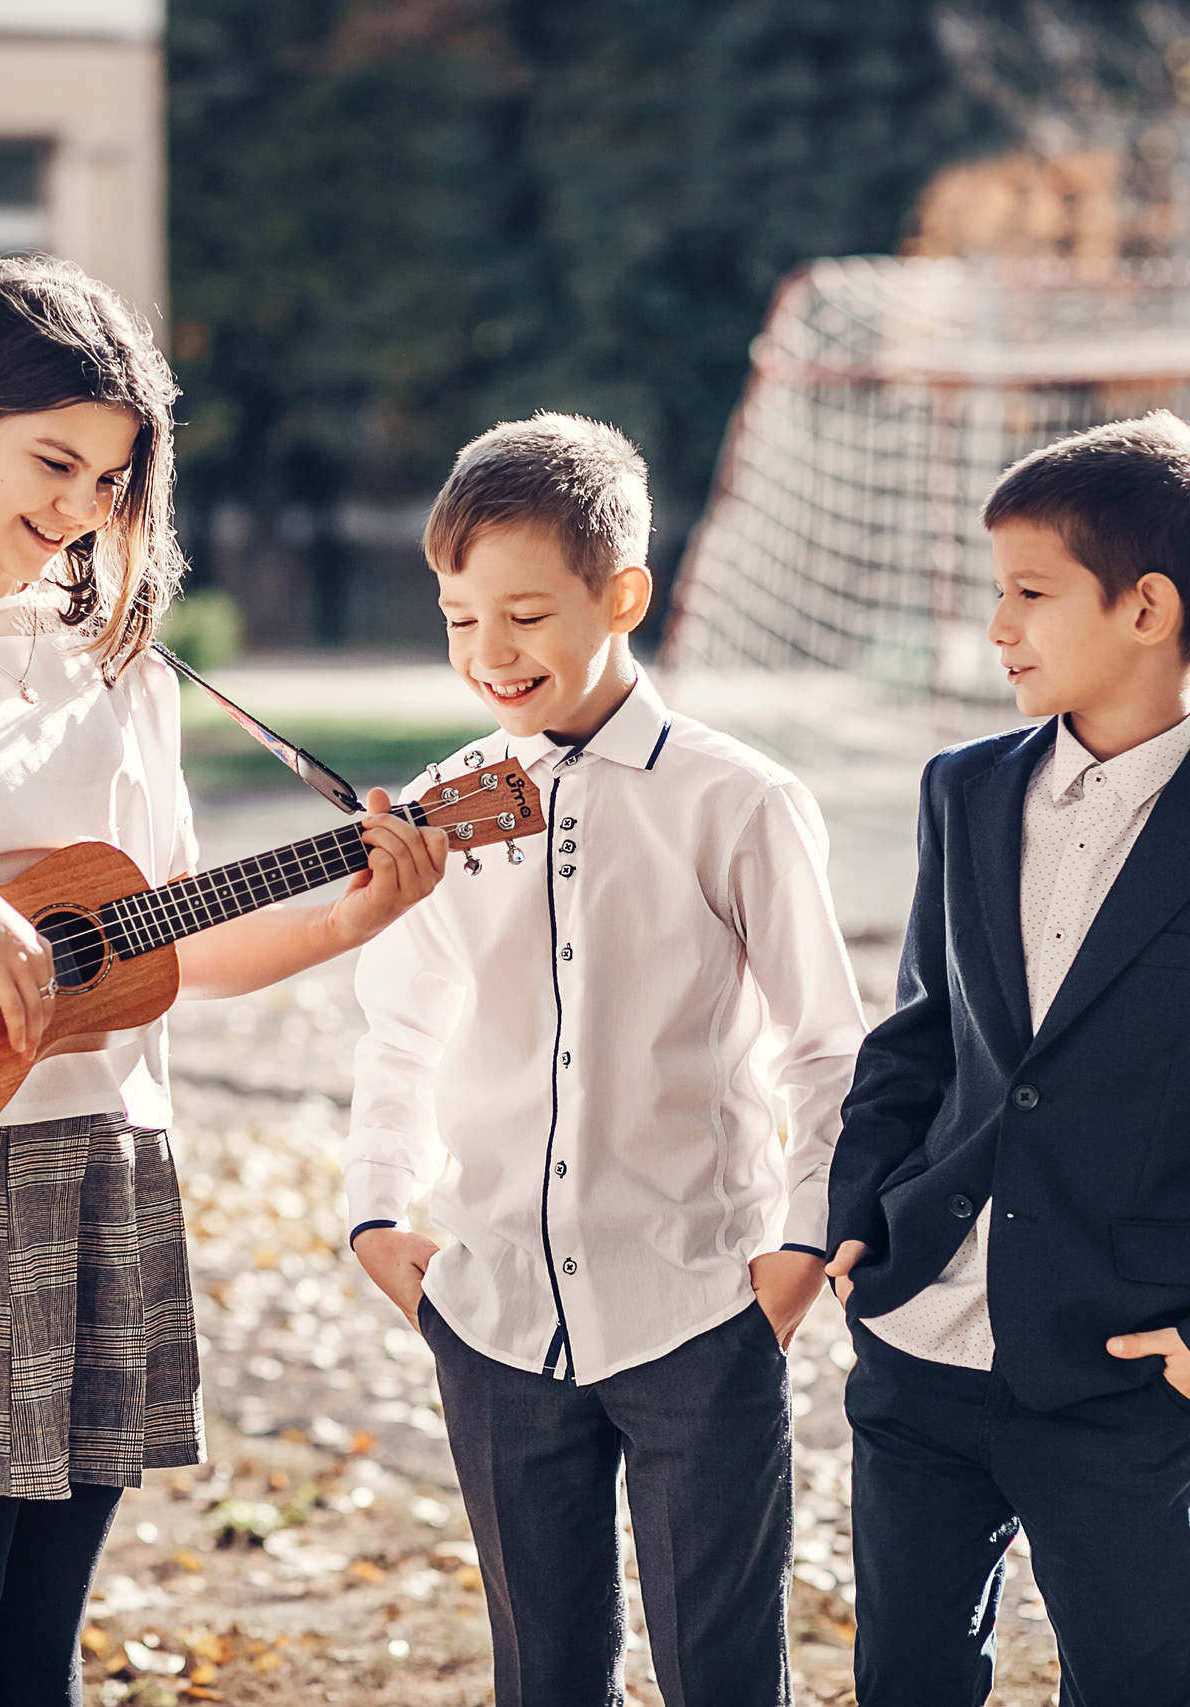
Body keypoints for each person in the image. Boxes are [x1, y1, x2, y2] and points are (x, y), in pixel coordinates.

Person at [0, 255, 447, 1707]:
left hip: (105, 1160)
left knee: (36, 1655)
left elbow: (165, 945)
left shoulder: (122, 663)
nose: (79, 506)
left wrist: (352, 915)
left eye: (111, 477)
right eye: (53, 460)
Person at [823, 411, 1190, 1706]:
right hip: (920, 1344)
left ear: (1146, 606)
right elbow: (923, 1024)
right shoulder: (963, 791)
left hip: (1125, 1367)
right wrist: (857, 1209)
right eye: (996, 592)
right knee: (905, 1675)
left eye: (1028, 593)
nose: (997, 627)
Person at [344, 412, 867, 1705]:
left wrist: (799, 1252)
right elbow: (403, 1025)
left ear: (621, 593)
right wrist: (372, 1212)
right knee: (545, 1675)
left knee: (725, 1674)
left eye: (524, 613)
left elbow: (826, 1046)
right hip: (496, 1305)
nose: (490, 652)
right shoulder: (444, 805)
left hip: (699, 1299)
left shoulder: (736, 799)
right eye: (461, 618)